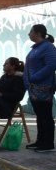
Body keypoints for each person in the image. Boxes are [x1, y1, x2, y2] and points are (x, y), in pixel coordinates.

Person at [23, 24, 56, 153]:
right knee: (39, 115)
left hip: (43, 88)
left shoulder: (48, 47)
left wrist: (34, 78)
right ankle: (40, 141)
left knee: (45, 116)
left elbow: (51, 66)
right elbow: (27, 67)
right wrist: (27, 81)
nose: (29, 34)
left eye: (30, 31)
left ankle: (48, 144)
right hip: (33, 89)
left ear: (37, 33)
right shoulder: (35, 48)